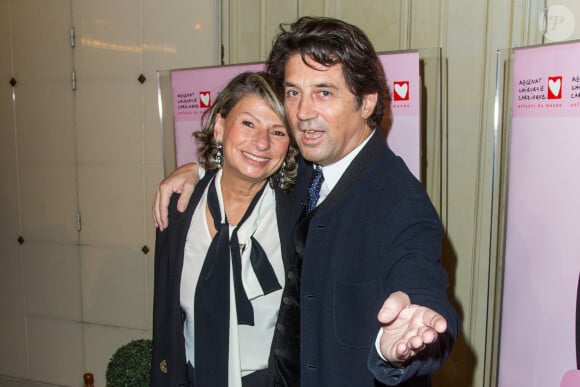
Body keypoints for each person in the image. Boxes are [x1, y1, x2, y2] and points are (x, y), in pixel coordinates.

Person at [153, 17, 460, 386]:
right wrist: (197, 171)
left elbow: (421, 285)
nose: (302, 112)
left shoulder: (400, 203)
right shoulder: (309, 170)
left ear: (366, 102)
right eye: (294, 92)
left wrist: (404, 337)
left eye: (324, 92)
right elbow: (249, 162)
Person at [150, 71, 300, 387]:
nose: (262, 143)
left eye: (277, 131)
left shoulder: (299, 217)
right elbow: (165, 323)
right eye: (248, 124)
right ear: (220, 127)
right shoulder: (179, 210)